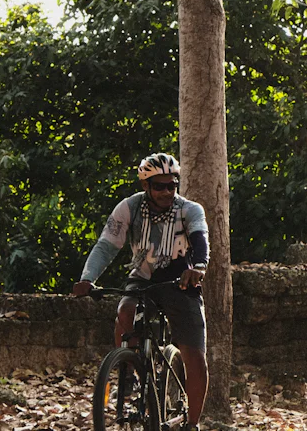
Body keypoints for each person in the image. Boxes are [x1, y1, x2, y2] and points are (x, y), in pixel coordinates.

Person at [72, 153, 210, 431]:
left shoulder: (189, 209)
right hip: (143, 276)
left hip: (180, 280)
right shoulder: (129, 208)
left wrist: (197, 268)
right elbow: (106, 247)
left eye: (171, 185)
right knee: (124, 310)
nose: (167, 192)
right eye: (159, 186)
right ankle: (129, 370)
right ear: (146, 186)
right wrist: (87, 278)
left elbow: (200, 240)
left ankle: (192, 423)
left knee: (193, 353)